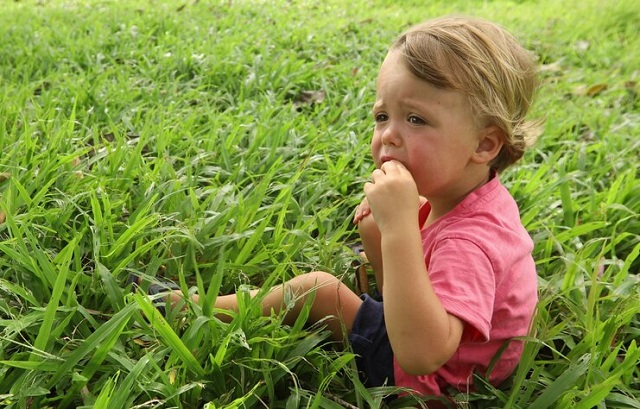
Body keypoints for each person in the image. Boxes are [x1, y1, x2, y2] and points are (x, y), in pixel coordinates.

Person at [131, 15, 540, 401]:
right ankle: (384, 296)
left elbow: (421, 354)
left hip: (435, 381)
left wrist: (399, 227)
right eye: (383, 116)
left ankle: (186, 309)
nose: (389, 137)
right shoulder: (469, 196)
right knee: (374, 231)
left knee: (319, 290)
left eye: (416, 119)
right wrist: (390, 226)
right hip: (446, 346)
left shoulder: (469, 241)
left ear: (485, 144)